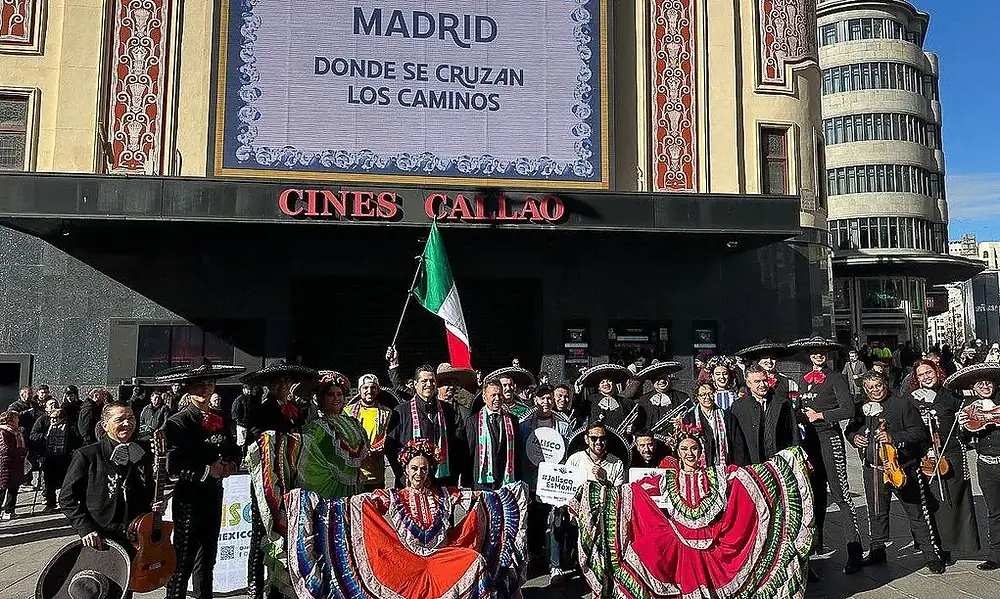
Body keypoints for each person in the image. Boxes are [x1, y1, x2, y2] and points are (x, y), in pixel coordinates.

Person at [574, 421, 814, 599]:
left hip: (714, 544)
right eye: (684, 450)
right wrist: (597, 494)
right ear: (677, 453)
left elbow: (747, 477)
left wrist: (786, 461)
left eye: (694, 449)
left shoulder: (717, 474)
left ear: (701, 452)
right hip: (678, 545)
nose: (690, 454)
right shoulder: (667, 478)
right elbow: (633, 492)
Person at [284, 439, 529, 599]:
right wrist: (313, 504)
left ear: (429, 470)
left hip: (439, 557)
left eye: (423, 468)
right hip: (407, 560)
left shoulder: (444, 494)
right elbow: (357, 505)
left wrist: (508, 495)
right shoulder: (394, 496)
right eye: (414, 468)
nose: (419, 473)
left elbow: (477, 497)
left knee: (475, 561)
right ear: (406, 470)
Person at [150, 358, 246, 599]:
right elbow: (172, 465)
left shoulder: (220, 417)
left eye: (210, 384)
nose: (205, 389)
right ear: (188, 388)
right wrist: (206, 471)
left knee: (208, 559)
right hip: (189, 499)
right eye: (199, 385)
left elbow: (234, 448)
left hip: (214, 496)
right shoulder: (177, 422)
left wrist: (231, 464)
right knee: (183, 560)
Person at [844, 371, 945, 573]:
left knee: (916, 511)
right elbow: (850, 429)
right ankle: (877, 550)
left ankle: (930, 554)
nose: (875, 390)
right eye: (870, 388)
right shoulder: (861, 408)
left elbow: (919, 432)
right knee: (876, 512)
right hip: (874, 469)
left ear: (885, 384)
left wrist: (894, 437)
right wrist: (854, 437)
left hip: (902, 467)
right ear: (865, 389)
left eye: (878, 386)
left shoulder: (902, 404)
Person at [788, 334, 863, 573]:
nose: (818, 354)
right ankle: (815, 544)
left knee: (841, 494)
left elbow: (848, 409)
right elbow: (800, 409)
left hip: (830, 438)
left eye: (821, 351)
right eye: (814, 351)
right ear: (808, 355)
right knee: (814, 493)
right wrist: (799, 415)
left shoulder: (836, 378)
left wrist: (820, 415)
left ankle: (855, 550)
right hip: (809, 441)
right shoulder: (803, 381)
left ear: (827, 354)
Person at [59, 402, 161, 565]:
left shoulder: (142, 452)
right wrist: (85, 528)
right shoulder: (87, 455)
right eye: (120, 419)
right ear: (105, 425)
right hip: (102, 535)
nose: (127, 423)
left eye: (131, 418)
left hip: (136, 534)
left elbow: (148, 487)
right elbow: (66, 498)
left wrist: (155, 502)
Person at [909, 358, 981, 563]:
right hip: (924, 456)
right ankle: (933, 546)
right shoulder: (912, 398)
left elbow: (966, 425)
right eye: (921, 374)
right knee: (929, 502)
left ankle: (949, 546)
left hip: (951, 454)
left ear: (937, 372)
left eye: (929, 372)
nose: (926, 377)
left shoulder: (951, 396)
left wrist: (964, 424)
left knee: (950, 503)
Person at [948, 362, 1000, 570]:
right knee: (994, 511)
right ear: (974, 388)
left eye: (989, 383)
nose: (985, 387)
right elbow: (965, 440)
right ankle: (996, 555)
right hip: (986, 464)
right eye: (980, 384)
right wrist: (963, 427)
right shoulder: (970, 408)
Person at [386, 363, 467, 488]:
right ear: (415, 384)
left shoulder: (448, 410)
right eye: (424, 381)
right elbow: (390, 447)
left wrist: (454, 474)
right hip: (410, 480)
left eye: (432, 381)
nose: (429, 384)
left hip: (442, 479)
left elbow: (457, 443)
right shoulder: (401, 411)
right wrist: (402, 473)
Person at [344, 373, 395, 492]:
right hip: (355, 473)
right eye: (365, 387)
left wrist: (378, 449)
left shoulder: (386, 413)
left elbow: (389, 437)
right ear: (359, 390)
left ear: (377, 390)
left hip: (376, 473)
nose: (369, 391)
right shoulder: (347, 412)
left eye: (373, 387)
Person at [682, 381, 746, 467]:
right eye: (703, 395)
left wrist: (737, 467)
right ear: (697, 397)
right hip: (700, 466)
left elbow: (738, 444)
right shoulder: (689, 418)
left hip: (726, 465)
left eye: (710, 394)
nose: (707, 397)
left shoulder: (727, 416)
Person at [576, 364, 639, 438]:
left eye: (609, 381)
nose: (606, 384)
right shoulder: (591, 400)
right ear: (599, 387)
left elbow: (638, 419)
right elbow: (579, 418)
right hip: (597, 440)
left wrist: (633, 427)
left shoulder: (625, 402)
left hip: (619, 441)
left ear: (614, 383)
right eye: (602, 382)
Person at [565, 420, 626, 486]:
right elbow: (565, 485)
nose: (598, 442)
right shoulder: (574, 460)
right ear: (586, 439)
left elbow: (619, 491)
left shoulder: (617, 464)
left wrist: (605, 480)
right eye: (594, 438)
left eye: (602, 438)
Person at [0, 411, 27, 520]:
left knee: (14, 487)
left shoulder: (16, 432)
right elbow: (4, 449)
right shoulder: (3, 432)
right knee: (2, 489)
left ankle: (10, 510)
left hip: (15, 464)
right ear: (10, 419)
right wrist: (20, 451)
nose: (18, 420)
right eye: (16, 418)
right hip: (4, 465)